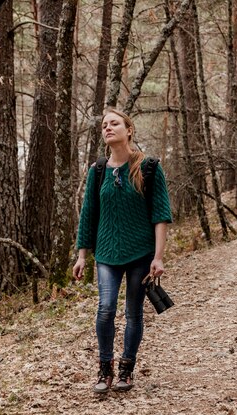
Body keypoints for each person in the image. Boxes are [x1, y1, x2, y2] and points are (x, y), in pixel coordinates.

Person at [72, 108, 172, 394]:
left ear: (129, 130)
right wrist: (82, 255)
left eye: (114, 123)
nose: (108, 128)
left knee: (133, 313)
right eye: (104, 125)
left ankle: (126, 369)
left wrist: (158, 256)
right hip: (106, 254)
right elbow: (88, 214)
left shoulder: (149, 166)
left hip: (140, 253)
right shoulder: (98, 170)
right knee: (105, 309)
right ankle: (105, 369)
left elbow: (161, 214)